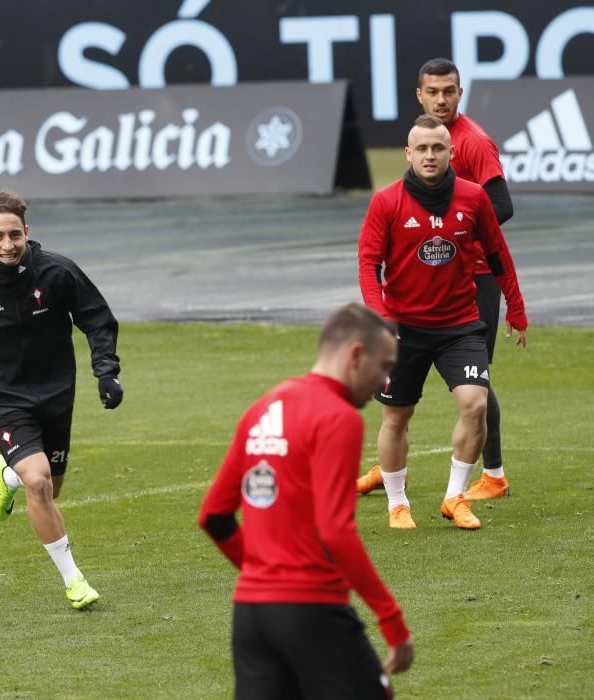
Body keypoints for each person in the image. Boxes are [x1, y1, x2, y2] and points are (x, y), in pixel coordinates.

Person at [199, 303, 415, 699]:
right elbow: (335, 530)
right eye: (384, 366)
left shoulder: (262, 408)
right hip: (312, 609)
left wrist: (264, 575)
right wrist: (392, 621)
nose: (385, 381)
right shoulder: (339, 417)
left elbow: (214, 516)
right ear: (355, 355)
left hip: (251, 615)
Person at [0, 189, 122, 610]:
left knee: (51, 487)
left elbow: (97, 319)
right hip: (4, 399)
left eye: (14, 235)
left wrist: (106, 371)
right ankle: (74, 581)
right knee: (40, 483)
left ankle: (9, 474)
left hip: (57, 394)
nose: (7, 245)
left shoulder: (57, 272)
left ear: (26, 232)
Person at [357, 114, 527, 530]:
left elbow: (497, 255)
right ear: (408, 153)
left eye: (438, 148)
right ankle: (398, 503)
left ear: (451, 152)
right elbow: (368, 264)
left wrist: (517, 309)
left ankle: (455, 497)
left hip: (460, 325)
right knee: (398, 417)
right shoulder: (387, 201)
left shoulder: (473, 198)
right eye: (422, 149)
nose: (430, 156)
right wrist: (380, 319)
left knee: (476, 406)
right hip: (403, 329)